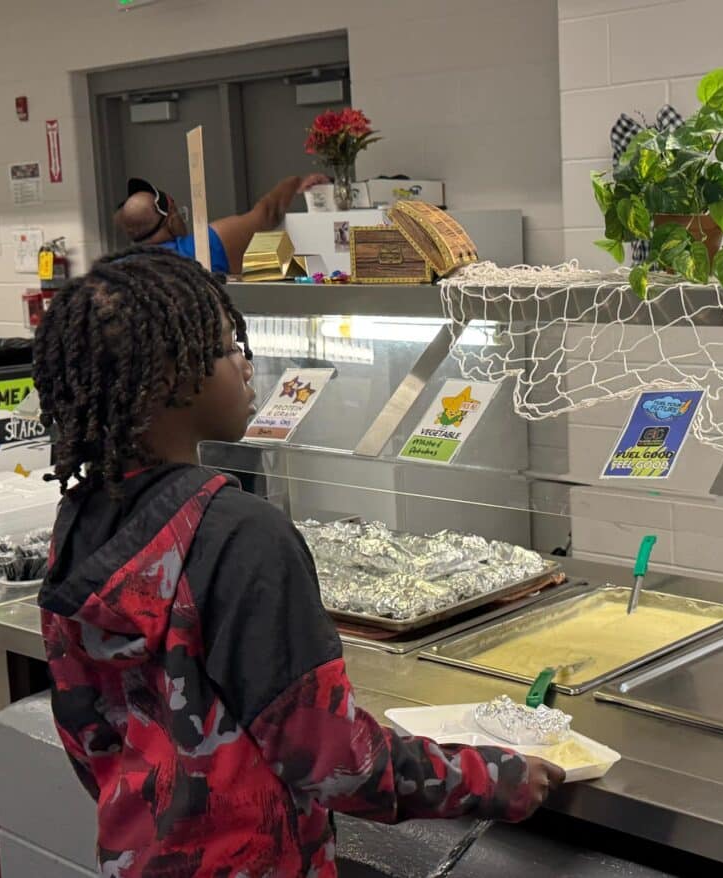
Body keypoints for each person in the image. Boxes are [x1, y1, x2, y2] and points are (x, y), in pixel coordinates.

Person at [32, 248, 563, 876]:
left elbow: (86, 734)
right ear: (171, 377)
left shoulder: (80, 523)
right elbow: (336, 759)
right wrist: (493, 777)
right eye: (228, 347)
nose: (247, 363)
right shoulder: (240, 533)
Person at [113, 173, 328, 274]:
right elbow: (268, 213)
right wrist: (295, 182)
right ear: (170, 221)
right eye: (177, 211)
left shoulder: (118, 268)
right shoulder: (204, 246)